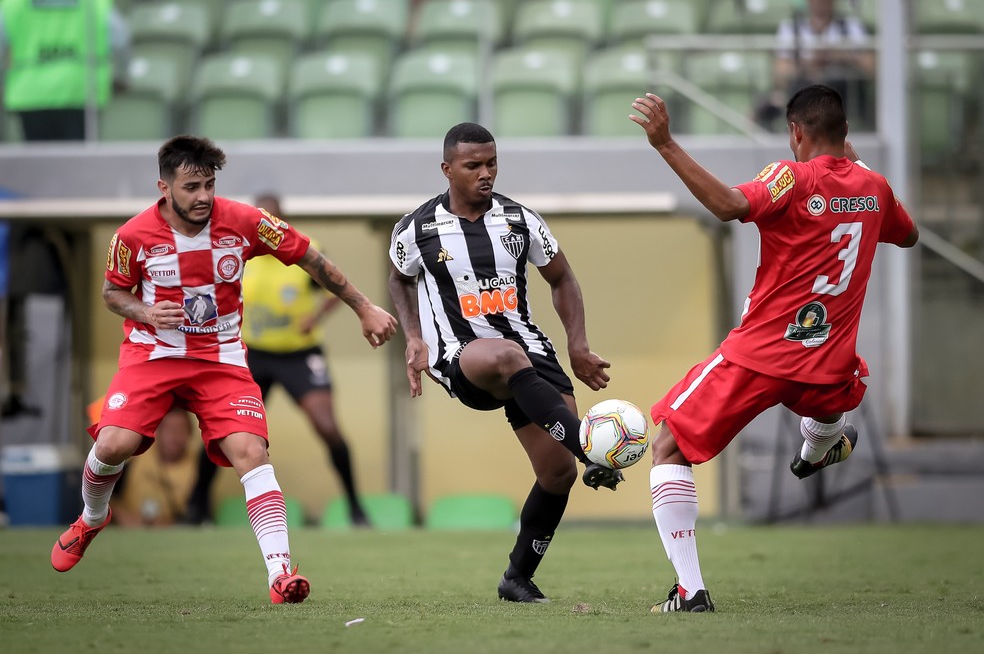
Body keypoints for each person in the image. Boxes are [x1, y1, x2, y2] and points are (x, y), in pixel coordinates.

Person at [50, 135, 398, 605]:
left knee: (251, 452)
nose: (203, 197)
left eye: (210, 185)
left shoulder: (248, 222)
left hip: (221, 359)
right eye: (191, 186)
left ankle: (280, 575)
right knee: (113, 443)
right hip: (152, 355)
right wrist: (147, 313)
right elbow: (113, 293)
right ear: (164, 186)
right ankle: (91, 519)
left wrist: (363, 307)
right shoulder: (131, 236)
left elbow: (311, 258)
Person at [630, 85, 917, 612]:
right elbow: (909, 235)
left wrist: (666, 144)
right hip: (830, 368)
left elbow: (729, 205)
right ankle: (820, 443)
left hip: (762, 357)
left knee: (668, 444)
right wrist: (862, 172)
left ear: (796, 132)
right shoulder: (874, 187)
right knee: (830, 400)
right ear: (846, 134)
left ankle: (690, 589)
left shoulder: (790, 175)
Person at [387, 122, 622, 604]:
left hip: (529, 352)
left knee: (557, 475)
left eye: (492, 163)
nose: (486, 173)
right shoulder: (417, 227)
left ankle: (518, 576)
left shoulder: (520, 220)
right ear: (447, 168)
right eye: (474, 165)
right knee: (506, 355)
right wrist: (414, 337)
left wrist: (577, 346)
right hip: (462, 355)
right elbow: (399, 278)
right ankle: (589, 446)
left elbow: (562, 278)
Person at [184, 193, 372, 527]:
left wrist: (316, 317)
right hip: (253, 355)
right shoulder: (239, 252)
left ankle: (356, 509)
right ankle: (196, 507)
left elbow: (334, 285)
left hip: (300, 354)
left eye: (272, 220)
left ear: (281, 221)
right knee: (224, 431)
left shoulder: (303, 249)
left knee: (326, 426)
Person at [0, 0, 130, 141]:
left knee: (37, 160)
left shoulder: (13, 3)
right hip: (82, 91)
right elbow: (121, 39)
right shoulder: (95, 1)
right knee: (79, 160)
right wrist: (121, 76)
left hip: (31, 94)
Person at [757, 0, 875, 131]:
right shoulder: (790, 28)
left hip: (843, 103)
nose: (820, 0)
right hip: (804, 103)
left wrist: (840, 56)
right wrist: (809, 65)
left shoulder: (851, 27)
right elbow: (780, 75)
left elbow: (870, 69)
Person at [111, 407, 198, 528]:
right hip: (128, 529)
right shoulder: (135, 455)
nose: (174, 436)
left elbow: (198, 515)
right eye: (169, 429)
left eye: (180, 429)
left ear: (189, 433)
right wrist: (123, 516)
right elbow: (106, 494)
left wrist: (169, 524)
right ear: (157, 431)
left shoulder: (200, 467)